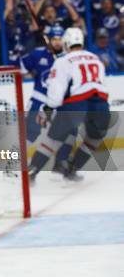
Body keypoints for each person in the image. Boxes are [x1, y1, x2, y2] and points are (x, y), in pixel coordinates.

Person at [29, 27, 110, 182]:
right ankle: (71, 169)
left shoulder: (62, 61)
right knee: (94, 138)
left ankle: (33, 170)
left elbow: (56, 94)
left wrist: (48, 107)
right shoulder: (95, 58)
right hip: (100, 103)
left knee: (53, 138)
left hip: (78, 102)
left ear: (66, 43)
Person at [20, 26, 71, 177]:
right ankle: (11, 166)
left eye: (60, 39)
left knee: (65, 134)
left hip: (58, 104)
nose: (57, 42)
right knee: (30, 134)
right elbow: (21, 66)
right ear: (49, 39)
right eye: (54, 39)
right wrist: (30, 72)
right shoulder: (38, 54)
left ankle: (59, 166)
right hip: (38, 100)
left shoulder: (67, 58)